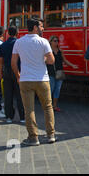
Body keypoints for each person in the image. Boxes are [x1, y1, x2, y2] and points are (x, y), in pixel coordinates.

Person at [11, 18, 56, 146]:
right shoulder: (43, 41)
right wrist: (43, 58)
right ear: (35, 27)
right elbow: (51, 60)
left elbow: (13, 62)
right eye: (41, 26)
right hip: (42, 79)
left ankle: (33, 137)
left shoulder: (19, 42)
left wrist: (18, 76)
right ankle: (51, 135)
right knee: (48, 107)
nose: (43, 28)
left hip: (26, 79)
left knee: (29, 109)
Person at [0, 26, 25, 124]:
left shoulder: (3, 45)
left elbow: (0, 62)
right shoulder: (20, 44)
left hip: (7, 71)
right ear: (17, 32)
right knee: (20, 95)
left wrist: (1, 73)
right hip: (18, 71)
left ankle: (9, 117)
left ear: (8, 33)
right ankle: (22, 117)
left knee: (8, 96)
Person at [47, 36, 78, 112]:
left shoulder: (60, 51)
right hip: (51, 73)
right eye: (55, 41)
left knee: (57, 90)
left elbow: (65, 60)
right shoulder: (48, 51)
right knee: (50, 90)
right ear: (50, 42)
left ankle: (54, 106)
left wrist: (72, 65)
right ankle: (48, 107)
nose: (56, 42)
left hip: (59, 73)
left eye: (57, 41)